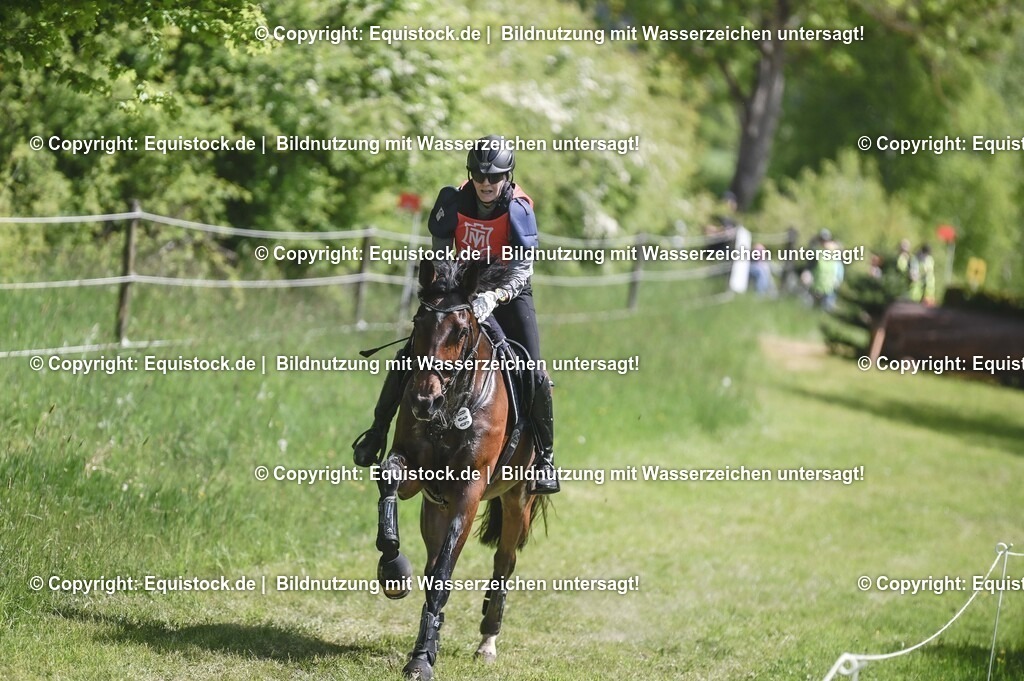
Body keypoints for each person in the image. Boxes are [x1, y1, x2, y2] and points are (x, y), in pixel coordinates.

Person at [352, 135, 559, 495]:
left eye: (494, 177)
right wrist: (453, 297)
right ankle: (377, 433)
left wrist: (493, 297)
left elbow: (524, 269)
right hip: (462, 290)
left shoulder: (518, 209)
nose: (485, 184)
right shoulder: (452, 201)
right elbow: (442, 258)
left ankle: (545, 459)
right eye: (479, 176)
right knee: (410, 358)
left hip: (509, 291)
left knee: (533, 371)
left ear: (507, 177)